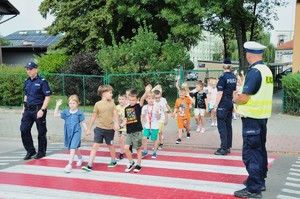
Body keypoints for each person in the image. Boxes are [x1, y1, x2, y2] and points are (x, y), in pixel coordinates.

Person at [233, 41, 273, 198]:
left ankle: (253, 189)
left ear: (249, 55)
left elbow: (244, 97)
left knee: (251, 153)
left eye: (246, 54)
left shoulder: (255, 72)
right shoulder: (266, 71)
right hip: (262, 117)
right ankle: (259, 181)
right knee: (260, 151)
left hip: (252, 119)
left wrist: (235, 99)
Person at [82, 85, 120, 171]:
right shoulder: (97, 104)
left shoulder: (112, 104)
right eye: (110, 93)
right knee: (95, 146)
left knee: (110, 145)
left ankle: (113, 161)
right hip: (99, 129)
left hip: (109, 129)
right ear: (104, 93)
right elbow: (93, 117)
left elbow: (116, 114)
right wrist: (88, 128)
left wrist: (117, 123)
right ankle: (89, 165)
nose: (112, 94)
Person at [21, 62, 51, 160]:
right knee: (24, 129)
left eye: (30, 69)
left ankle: (41, 152)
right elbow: (26, 95)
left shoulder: (42, 81)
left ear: (36, 69)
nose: (28, 71)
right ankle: (30, 151)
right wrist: (23, 108)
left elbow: (47, 97)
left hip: (38, 110)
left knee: (41, 132)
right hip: (28, 110)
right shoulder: (27, 81)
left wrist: (42, 109)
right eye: (27, 69)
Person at [54, 95, 87, 173]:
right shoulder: (66, 112)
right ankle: (80, 158)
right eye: (70, 103)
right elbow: (55, 115)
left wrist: (87, 130)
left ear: (78, 103)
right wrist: (57, 106)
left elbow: (83, 122)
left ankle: (69, 165)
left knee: (72, 147)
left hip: (76, 132)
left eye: (74, 103)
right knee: (75, 147)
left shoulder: (79, 113)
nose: (72, 105)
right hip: (68, 132)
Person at [214, 58, 237, 155]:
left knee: (222, 126)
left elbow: (219, 93)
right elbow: (234, 92)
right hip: (230, 102)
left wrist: (215, 106)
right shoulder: (233, 77)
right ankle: (228, 147)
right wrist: (234, 104)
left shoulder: (222, 77)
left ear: (223, 66)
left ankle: (223, 148)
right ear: (230, 66)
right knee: (228, 125)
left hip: (223, 102)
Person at [123, 87, 148, 173]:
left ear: (137, 99)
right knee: (126, 148)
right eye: (130, 100)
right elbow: (126, 119)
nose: (131, 102)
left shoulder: (138, 106)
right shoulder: (126, 109)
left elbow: (143, 98)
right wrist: (120, 125)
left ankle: (138, 164)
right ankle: (131, 162)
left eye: (133, 100)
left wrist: (146, 91)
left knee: (138, 149)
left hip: (137, 132)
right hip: (129, 131)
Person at [141, 91, 161, 158]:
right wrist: (140, 123)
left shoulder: (156, 107)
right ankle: (145, 151)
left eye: (152, 98)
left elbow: (158, 118)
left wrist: (158, 111)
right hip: (147, 126)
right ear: (146, 99)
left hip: (154, 126)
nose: (151, 100)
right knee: (144, 138)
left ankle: (155, 152)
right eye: (149, 98)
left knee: (154, 139)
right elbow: (143, 116)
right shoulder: (144, 107)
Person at [152, 85, 172, 149]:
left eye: (159, 97)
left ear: (160, 96)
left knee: (158, 132)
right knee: (156, 132)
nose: (157, 99)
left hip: (161, 120)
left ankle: (159, 144)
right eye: (156, 98)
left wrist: (166, 119)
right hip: (154, 120)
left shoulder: (162, 102)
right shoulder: (152, 102)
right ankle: (158, 143)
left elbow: (165, 111)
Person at [116, 93, 127, 160]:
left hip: (126, 127)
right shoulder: (117, 107)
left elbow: (128, 119)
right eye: (120, 99)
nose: (121, 100)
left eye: (123, 99)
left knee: (122, 138)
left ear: (126, 100)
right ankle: (124, 149)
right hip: (119, 127)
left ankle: (121, 153)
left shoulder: (128, 107)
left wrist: (122, 125)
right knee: (120, 140)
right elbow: (115, 117)